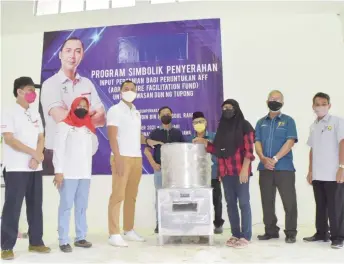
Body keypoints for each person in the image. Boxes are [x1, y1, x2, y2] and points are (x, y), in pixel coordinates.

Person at [107, 80, 163, 247]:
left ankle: (128, 230)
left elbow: (135, 135)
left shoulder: (136, 112)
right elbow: (112, 136)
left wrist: (147, 140)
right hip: (121, 157)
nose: (129, 91)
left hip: (136, 158)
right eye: (126, 89)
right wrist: (117, 158)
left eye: (132, 89)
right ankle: (114, 233)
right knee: (118, 196)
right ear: (120, 92)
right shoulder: (115, 110)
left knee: (131, 196)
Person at [1, 77, 51, 260]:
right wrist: (34, 154)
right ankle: (6, 246)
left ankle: (36, 242)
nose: (33, 93)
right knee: (12, 207)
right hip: (15, 168)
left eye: (34, 90)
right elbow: (9, 139)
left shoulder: (35, 113)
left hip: (34, 169)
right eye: (30, 89)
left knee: (36, 206)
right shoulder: (8, 112)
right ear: (19, 91)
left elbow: (41, 137)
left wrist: (37, 156)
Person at [194, 99, 255, 249]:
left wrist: (244, 169)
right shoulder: (222, 128)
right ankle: (235, 234)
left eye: (230, 107)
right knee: (231, 205)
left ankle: (246, 236)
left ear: (236, 109)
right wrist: (204, 142)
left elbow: (249, 150)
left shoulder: (244, 125)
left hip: (240, 172)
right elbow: (218, 151)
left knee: (244, 203)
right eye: (224, 108)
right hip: (226, 173)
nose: (227, 110)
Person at [41, 37, 106, 175]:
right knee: (60, 195)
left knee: (80, 194)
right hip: (57, 153)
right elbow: (60, 117)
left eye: (77, 51)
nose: (72, 56)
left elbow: (101, 118)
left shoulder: (87, 83)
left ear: (82, 55)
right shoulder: (50, 84)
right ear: (60, 54)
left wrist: (72, 114)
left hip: (82, 153)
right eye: (68, 51)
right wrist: (88, 116)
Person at [52, 97, 99, 253]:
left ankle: (80, 237)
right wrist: (58, 171)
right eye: (79, 105)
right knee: (66, 206)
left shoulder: (88, 128)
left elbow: (92, 150)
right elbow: (58, 149)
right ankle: (63, 239)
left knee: (81, 207)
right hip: (68, 174)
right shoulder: (63, 125)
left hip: (84, 173)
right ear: (72, 106)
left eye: (85, 106)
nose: (81, 107)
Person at [255, 90, 298, 243]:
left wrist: (274, 158)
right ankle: (271, 231)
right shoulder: (261, 122)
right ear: (267, 101)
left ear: (282, 102)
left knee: (289, 201)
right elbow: (257, 142)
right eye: (272, 98)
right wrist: (262, 158)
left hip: (284, 167)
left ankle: (291, 232)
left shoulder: (288, 121)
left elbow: (290, 142)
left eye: (277, 99)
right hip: (264, 167)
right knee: (267, 201)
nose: (274, 101)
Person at [303, 92, 344, 249]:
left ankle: (338, 236)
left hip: (334, 173)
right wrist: (310, 170)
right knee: (320, 205)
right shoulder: (314, 126)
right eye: (318, 104)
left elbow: (342, 143)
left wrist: (342, 167)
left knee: (336, 207)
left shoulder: (337, 122)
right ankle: (321, 233)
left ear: (329, 105)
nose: (321, 106)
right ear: (313, 107)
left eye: (324, 103)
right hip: (318, 173)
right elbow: (312, 149)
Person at [144, 106, 185, 234]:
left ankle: (175, 222)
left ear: (172, 115)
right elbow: (146, 150)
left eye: (168, 113)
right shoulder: (155, 133)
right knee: (160, 197)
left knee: (176, 197)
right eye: (163, 113)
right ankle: (160, 223)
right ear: (159, 116)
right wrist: (153, 163)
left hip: (175, 171)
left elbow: (183, 150)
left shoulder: (177, 133)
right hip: (160, 170)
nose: (166, 115)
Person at [190, 111, 224, 234]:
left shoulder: (214, 136)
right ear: (192, 124)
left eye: (201, 121)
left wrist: (221, 171)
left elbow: (220, 154)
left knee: (216, 200)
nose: (199, 124)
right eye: (196, 122)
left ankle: (218, 223)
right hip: (197, 176)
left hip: (214, 173)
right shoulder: (190, 139)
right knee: (198, 200)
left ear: (206, 122)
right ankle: (200, 222)